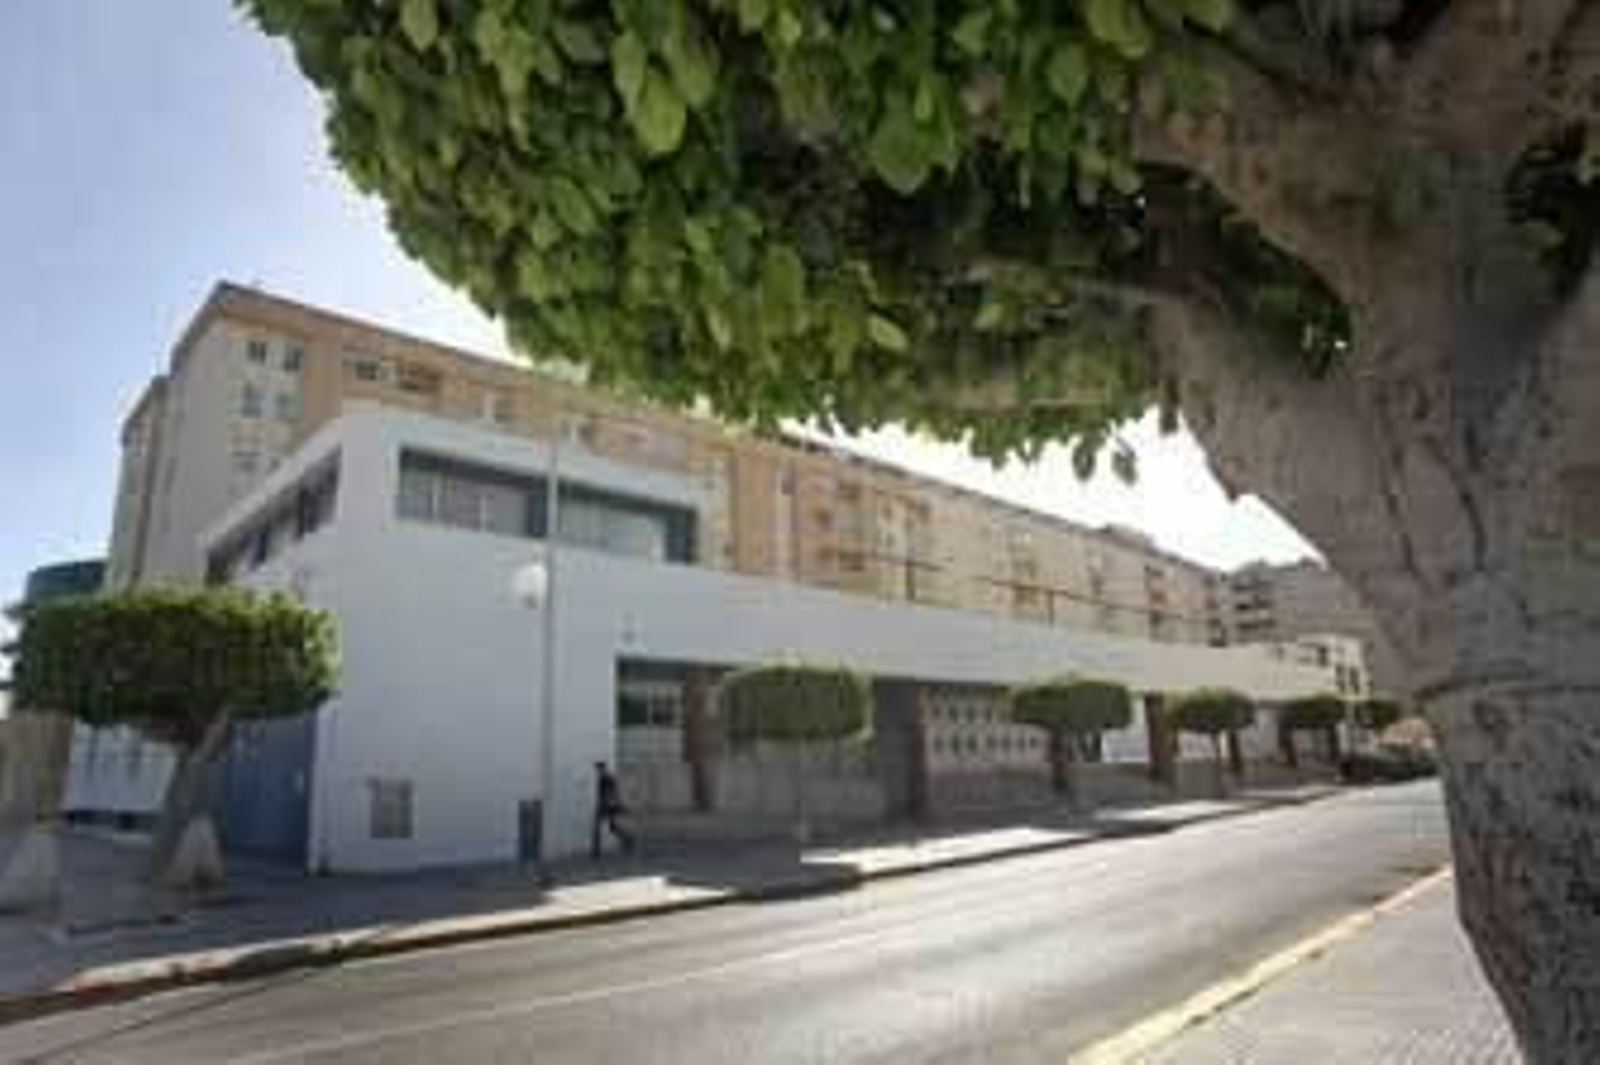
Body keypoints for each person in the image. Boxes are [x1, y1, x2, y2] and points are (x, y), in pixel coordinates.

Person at [592, 761, 634, 858]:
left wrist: (609, 803)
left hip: (607, 805)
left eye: (599, 769)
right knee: (612, 827)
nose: (598, 771)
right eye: (598, 769)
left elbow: (611, 792)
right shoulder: (604, 778)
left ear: (602, 769)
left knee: (598, 828)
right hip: (606, 805)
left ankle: (596, 851)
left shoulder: (606, 778)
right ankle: (627, 840)